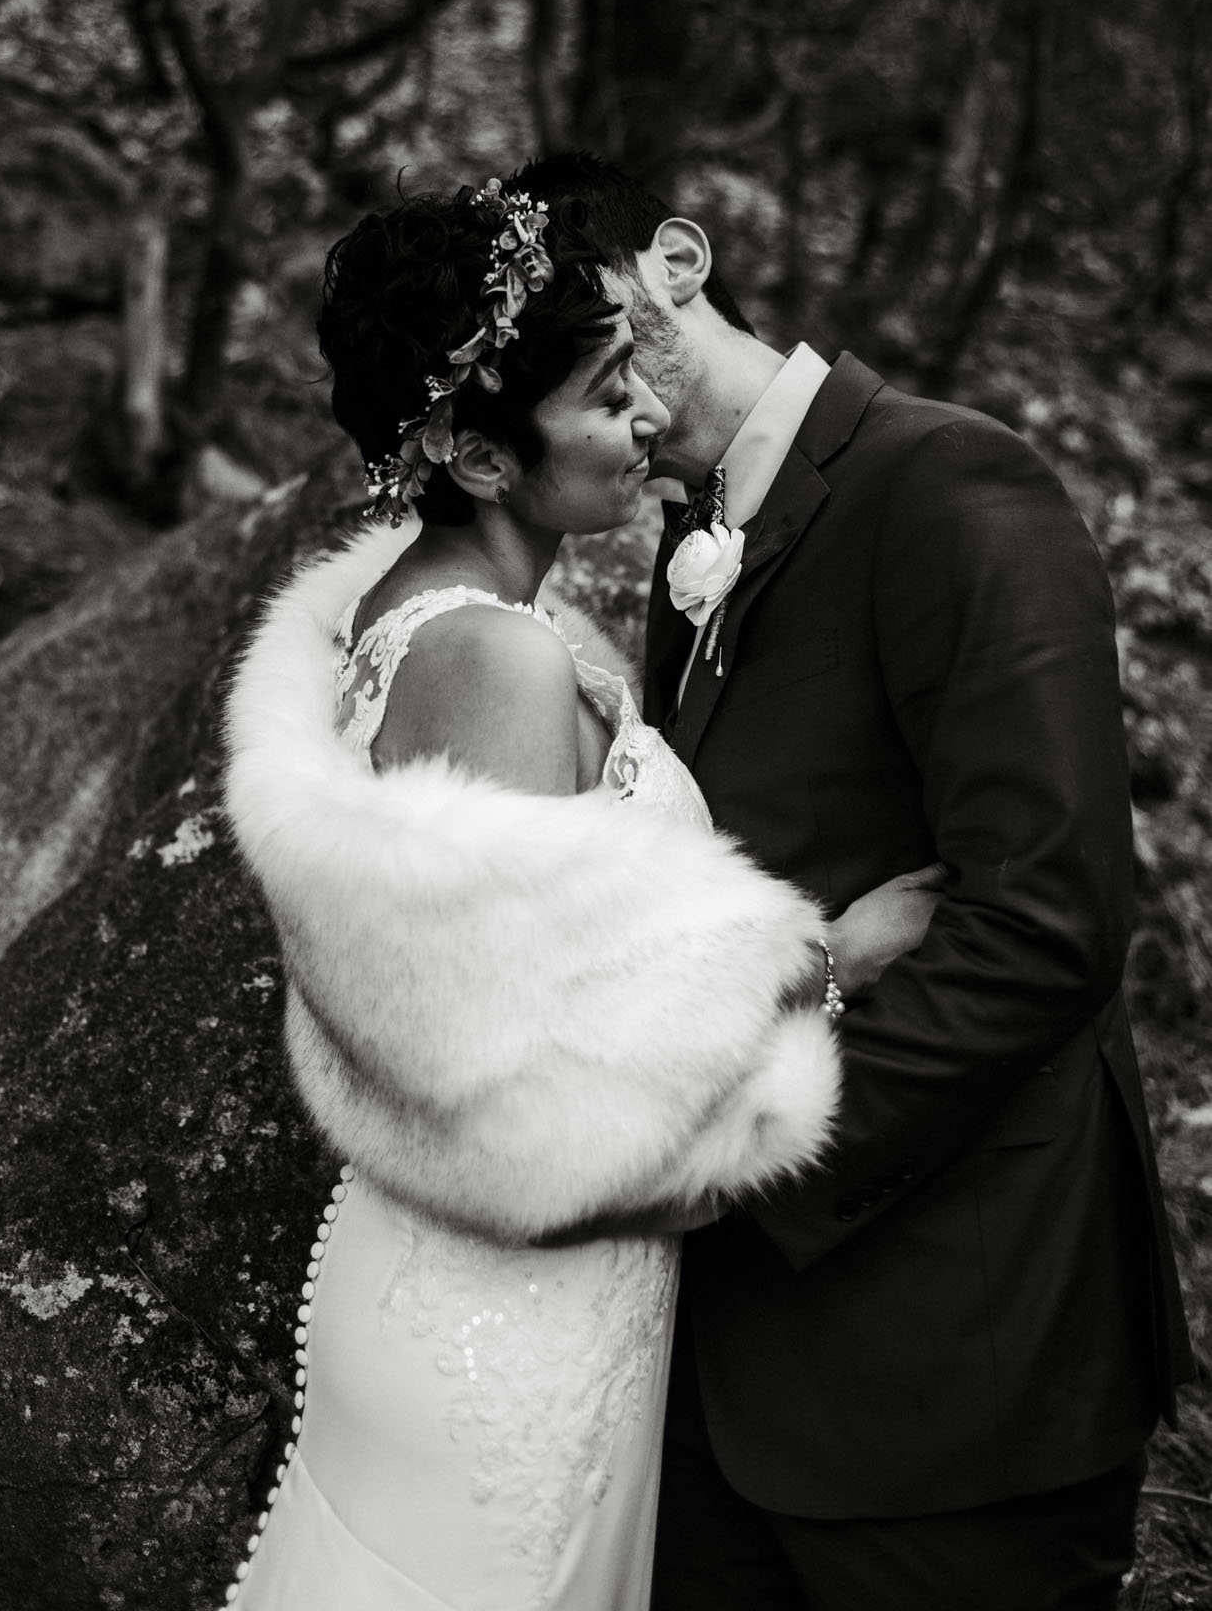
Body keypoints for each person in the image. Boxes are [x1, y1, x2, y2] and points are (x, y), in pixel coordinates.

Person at [220, 179, 937, 1611]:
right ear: (481, 457)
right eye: (608, 399)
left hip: (489, 1307)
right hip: (503, 1337)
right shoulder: (498, 663)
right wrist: (832, 966)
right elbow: (522, 1106)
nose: (649, 422)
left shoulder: (427, 622)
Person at [499, 153, 1194, 1611]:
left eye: (582, 316)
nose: (566, 374)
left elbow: (1044, 927)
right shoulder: (691, 546)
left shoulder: (954, 483)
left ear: (678, 263)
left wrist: (739, 1169)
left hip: (960, 1380)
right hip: (729, 1388)